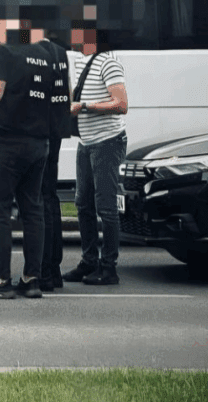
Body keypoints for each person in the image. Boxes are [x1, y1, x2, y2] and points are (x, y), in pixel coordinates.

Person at [0, 18, 65, 299]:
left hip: (6, 143)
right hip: (39, 144)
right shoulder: (45, 54)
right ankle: (32, 279)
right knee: (33, 211)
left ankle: (0, 280)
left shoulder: (3, 51)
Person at [63, 22, 128, 286]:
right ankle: (89, 262)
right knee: (83, 203)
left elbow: (121, 104)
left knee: (106, 206)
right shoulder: (81, 61)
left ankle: (109, 267)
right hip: (86, 142)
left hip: (107, 142)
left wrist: (84, 106)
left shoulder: (109, 62)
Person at [35, 30, 72, 292]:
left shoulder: (33, 53)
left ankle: (44, 272)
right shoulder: (60, 52)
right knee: (51, 197)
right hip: (56, 129)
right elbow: (66, 92)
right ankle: (54, 270)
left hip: (37, 132)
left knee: (38, 201)